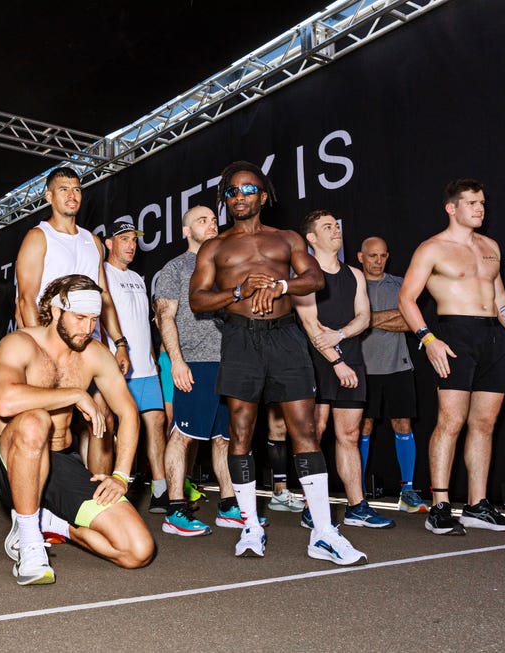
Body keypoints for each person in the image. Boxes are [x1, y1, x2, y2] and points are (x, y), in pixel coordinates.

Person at [190, 161, 366, 565]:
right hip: (239, 339)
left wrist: (280, 285)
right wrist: (238, 290)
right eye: (231, 192)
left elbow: (315, 279)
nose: (239, 198)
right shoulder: (214, 247)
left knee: (304, 429)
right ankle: (251, 526)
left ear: (263, 196)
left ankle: (323, 532)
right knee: (240, 432)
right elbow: (198, 299)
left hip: (286, 336)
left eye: (247, 190)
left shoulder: (286, 239)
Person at [0, 274, 154, 584]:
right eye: (80, 318)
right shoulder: (20, 343)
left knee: (137, 550)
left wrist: (120, 475)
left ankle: (49, 522)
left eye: (93, 319)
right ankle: (29, 541)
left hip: (62, 462)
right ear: (56, 310)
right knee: (37, 419)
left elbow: (129, 413)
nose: (88, 328)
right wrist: (76, 394)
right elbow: (6, 402)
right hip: (12, 462)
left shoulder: (94, 353)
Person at [399, 179, 505, 535]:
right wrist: (428, 339)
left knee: (485, 423)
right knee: (451, 420)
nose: (480, 209)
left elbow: (501, 298)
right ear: (452, 208)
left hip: (492, 336)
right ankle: (440, 506)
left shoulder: (490, 247)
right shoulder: (432, 248)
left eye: (482, 203)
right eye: (472, 203)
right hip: (453, 335)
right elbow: (406, 299)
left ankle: (477, 506)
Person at [15, 166, 130, 475]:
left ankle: (98, 493)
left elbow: (104, 297)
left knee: (103, 417)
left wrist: (118, 343)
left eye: (77, 189)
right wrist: (38, 352)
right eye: (64, 189)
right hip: (49, 342)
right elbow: (26, 299)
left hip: (88, 343)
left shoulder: (92, 242)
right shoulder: (39, 237)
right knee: (52, 424)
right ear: (49, 196)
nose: (72, 195)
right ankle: (45, 501)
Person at [294, 211, 394, 529]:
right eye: (327, 227)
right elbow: (310, 326)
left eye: (336, 226)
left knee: (349, 435)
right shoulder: (304, 275)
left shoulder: (355, 274)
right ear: (312, 238)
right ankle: (313, 507)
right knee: (315, 432)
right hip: (316, 362)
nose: (336, 231)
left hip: (351, 359)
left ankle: (357, 506)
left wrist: (339, 336)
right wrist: (335, 362)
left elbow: (364, 317)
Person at [154, 206, 239, 535]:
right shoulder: (175, 268)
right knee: (183, 435)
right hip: (195, 362)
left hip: (229, 363)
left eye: (213, 220)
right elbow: (165, 316)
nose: (212, 224)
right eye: (202, 220)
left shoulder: (226, 265)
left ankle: (229, 506)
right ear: (186, 231)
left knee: (224, 439)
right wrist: (177, 360)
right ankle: (175, 510)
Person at [356, 236, 428, 513]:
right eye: (372, 255)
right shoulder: (354, 284)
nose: (378, 260)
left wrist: (368, 319)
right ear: (361, 257)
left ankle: (407, 491)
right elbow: (349, 324)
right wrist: (392, 317)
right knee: (362, 428)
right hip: (362, 368)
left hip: (398, 366)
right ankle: (357, 491)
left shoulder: (400, 284)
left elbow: (411, 322)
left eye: (383, 255)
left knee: (403, 424)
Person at [103, 218, 168, 513]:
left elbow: (142, 323)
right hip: (118, 368)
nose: (131, 245)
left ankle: (161, 490)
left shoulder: (139, 278)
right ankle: (117, 489)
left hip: (146, 369)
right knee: (114, 429)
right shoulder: (102, 274)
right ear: (109, 244)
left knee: (156, 424)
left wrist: (153, 357)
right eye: (124, 239)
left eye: (134, 239)